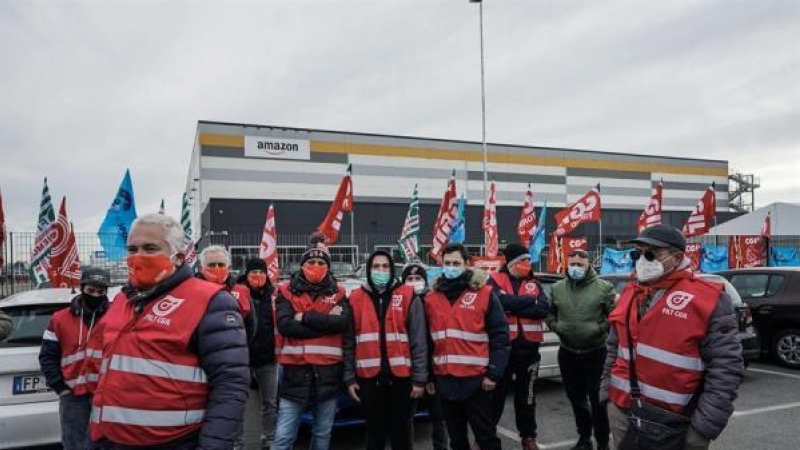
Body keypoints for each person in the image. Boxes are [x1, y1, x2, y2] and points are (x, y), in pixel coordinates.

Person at [89, 213, 249, 450]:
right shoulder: (122, 299)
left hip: (175, 441)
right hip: (110, 439)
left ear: (179, 257)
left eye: (150, 248)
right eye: (132, 249)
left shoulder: (211, 301)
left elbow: (230, 384)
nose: (138, 256)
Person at [600, 225, 744, 450]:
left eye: (651, 254)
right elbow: (613, 348)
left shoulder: (708, 299)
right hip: (623, 412)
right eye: (638, 254)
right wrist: (607, 397)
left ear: (677, 258)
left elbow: (726, 367)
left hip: (678, 422)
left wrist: (703, 428)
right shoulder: (630, 292)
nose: (642, 261)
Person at [425, 243, 510, 450]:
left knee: (486, 438)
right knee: (457, 440)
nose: (451, 267)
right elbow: (427, 341)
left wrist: (494, 374)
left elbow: (500, 337)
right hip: (445, 382)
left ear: (466, 265)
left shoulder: (485, 294)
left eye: (456, 263)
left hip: (477, 382)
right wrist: (428, 376)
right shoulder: (430, 298)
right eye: (447, 263)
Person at [272, 233, 351, 450]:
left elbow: (343, 323)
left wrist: (305, 317)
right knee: (283, 436)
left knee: (322, 435)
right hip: (295, 376)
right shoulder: (286, 290)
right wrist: (326, 323)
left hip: (328, 377)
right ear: (303, 264)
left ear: (327, 266)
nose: (316, 266)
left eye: (320, 262)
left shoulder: (339, 292)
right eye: (311, 262)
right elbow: (286, 325)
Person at [343, 250, 428, 450]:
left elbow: (419, 340)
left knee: (402, 434)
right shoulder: (355, 298)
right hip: (368, 380)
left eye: (385, 266)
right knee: (374, 434)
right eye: (376, 266)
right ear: (368, 269)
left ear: (392, 269)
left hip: (402, 380)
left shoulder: (408, 296)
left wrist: (419, 379)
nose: (380, 270)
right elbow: (348, 342)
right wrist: (349, 378)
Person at [546, 250, 615, 450]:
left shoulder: (604, 287)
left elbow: (613, 316)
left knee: (598, 401)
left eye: (580, 264)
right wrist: (557, 327)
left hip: (595, 352)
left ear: (589, 265)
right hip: (568, 352)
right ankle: (584, 438)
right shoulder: (557, 288)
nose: (575, 268)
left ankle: (602, 442)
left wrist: (599, 329)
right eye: (572, 264)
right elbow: (550, 313)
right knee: (576, 399)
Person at [39, 268, 111, 450]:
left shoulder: (114, 318)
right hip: (73, 396)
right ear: (82, 288)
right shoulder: (59, 319)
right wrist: (60, 388)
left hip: (107, 396)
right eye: (91, 291)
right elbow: (48, 356)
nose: (96, 295)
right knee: (75, 445)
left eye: (101, 292)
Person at [488, 244, 551, 450]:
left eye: (528, 260)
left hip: (529, 351)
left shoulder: (534, 283)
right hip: (502, 351)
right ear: (512, 263)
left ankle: (528, 437)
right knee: (495, 398)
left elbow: (542, 308)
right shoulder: (495, 280)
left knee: (527, 397)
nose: (527, 264)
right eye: (523, 261)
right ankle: (485, 437)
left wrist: (512, 305)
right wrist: (526, 301)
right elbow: (497, 302)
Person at [401, 261, 449, 450]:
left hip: (434, 373)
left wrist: (429, 375)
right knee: (406, 420)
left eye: (418, 278)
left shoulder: (433, 302)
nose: (414, 282)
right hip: (406, 371)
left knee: (439, 419)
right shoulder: (399, 303)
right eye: (409, 279)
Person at [236, 258, 279, 450]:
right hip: (242, 360)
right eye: (253, 272)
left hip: (268, 359)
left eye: (261, 272)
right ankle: (236, 443)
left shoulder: (274, 295)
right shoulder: (237, 294)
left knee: (269, 404)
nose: (258, 276)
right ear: (246, 274)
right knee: (238, 403)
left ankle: (268, 441)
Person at [198, 245, 255, 337]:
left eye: (221, 265)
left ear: (229, 268)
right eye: (211, 265)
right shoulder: (192, 291)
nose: (216, 268)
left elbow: (250, 326)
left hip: (234, 347)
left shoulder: (242, 292)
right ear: (201, 268)